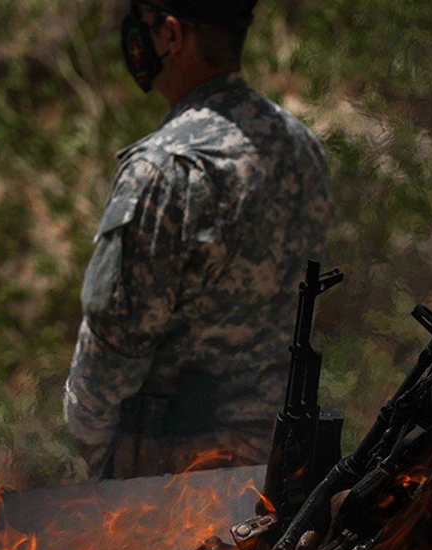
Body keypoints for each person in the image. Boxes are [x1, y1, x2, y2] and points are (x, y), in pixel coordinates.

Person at [64, 0, 332, 479]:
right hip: (277, 467)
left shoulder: (162, 167)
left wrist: (88, 434)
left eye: (145, 26)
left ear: (171, 36)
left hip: (169, 483)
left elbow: (115, 338)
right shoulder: (301, 146)